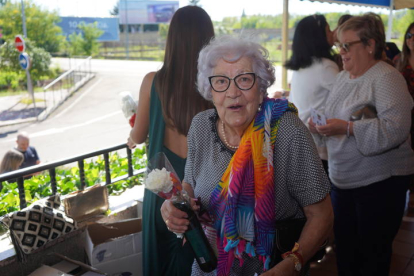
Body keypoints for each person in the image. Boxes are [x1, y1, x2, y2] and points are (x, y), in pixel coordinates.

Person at [161, 35, 333, 276]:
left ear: (261, 88)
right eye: (221, 81)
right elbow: (190, 185)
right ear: (210, 90)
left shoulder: (288, 132)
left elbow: (321, 215)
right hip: (210, 268)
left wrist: (291, 265)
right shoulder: (201, 126)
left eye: (244, 79)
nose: (233, 92)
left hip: (272, 268)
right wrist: (175, 206)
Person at [309, 13, 414, 275]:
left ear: (370, 45)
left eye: (347, 45)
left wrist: (346, 127)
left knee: (372, 256)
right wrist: (321, 126)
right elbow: (337, 116)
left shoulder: (386, 77)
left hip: (379, 183)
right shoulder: (345, 78)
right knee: (346, 251)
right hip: (344, 180)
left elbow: (396, 128)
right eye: (339, 45)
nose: (341, 52)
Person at [127, 6, 214, 276]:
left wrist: (131, 132)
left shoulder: (153, 82)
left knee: (161, 263)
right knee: (203, 259)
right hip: (203, 189)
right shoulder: (215, 85)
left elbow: (138, 136)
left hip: (162, 190)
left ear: (172, 40)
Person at [285, 14, 339, 174]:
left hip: (300, 140)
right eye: (328, 30)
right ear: (319, 36)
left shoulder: (300, 67)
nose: (333, 33)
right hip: (319, 145)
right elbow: (345, 98)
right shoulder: (326, 66)